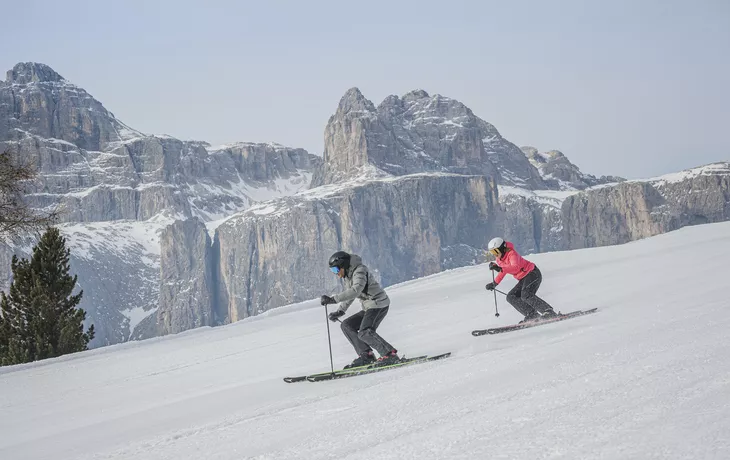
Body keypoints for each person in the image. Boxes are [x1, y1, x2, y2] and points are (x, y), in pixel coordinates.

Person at [320, 251, 399, 369]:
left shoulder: (360, 271)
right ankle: (366, 355)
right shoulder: (348, 276)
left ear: (343, 265)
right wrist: (340, 311)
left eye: (336, 270)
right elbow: (350, 294)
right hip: (369, 306)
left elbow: (355, 290)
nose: (336, 274)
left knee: (365, 331)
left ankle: (389, 354)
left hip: (378, 304)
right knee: (346, 325)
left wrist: (333, 299)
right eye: (333, 271)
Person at [484, 237, 558, 323]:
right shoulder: (499, 259)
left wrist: (500, 268)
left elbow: (515, 267)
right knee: (511, 297)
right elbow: (503, 271)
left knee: (526, 294)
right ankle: (532, 314)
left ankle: (548, 311)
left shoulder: (512, 254)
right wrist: (494, 283)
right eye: (492, 252)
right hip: (523, 278)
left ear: (502, 248)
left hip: (533, 274)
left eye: (495, 251)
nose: (495, 254)